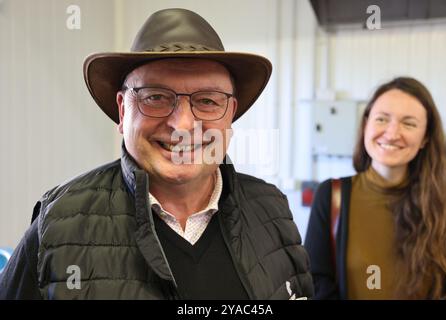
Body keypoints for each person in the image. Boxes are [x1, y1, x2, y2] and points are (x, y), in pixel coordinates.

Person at [0, 8, 313, 300]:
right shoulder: (57, 225)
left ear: (230, 113)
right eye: (155, 97)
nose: (183, 124)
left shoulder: (273, 209)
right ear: (123, 111)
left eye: (207, 101)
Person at [305, 77, 446, 300]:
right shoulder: (332, 195)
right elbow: (316, 281)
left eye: (409, 123)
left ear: (425, 138)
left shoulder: (445, 201)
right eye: (382, 119)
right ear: (366, 125)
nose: (392, 133)